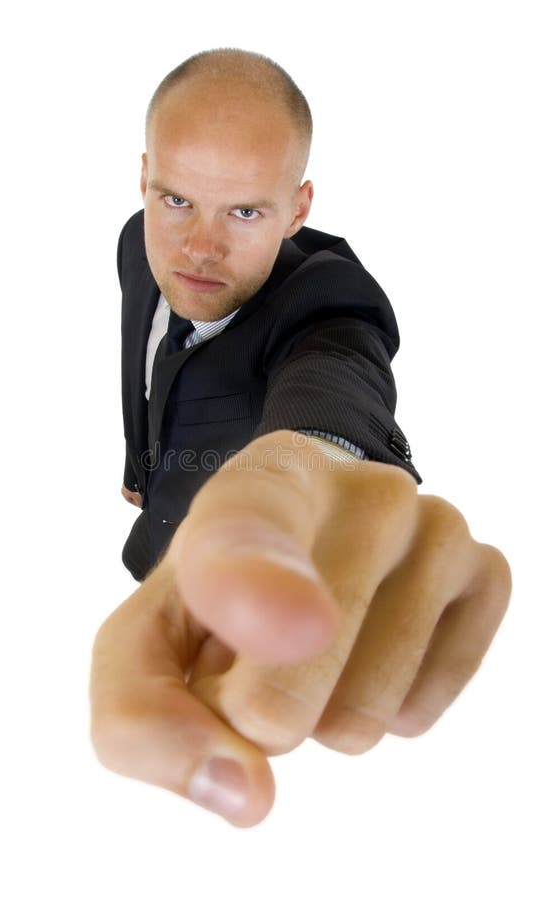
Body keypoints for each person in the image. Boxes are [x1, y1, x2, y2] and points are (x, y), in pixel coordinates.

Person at [89, 48, 512, 829]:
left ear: (297, 208)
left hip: (249, 606)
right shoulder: (136, 245)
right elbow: (147, 368)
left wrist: (312, 464)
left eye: (244, 212)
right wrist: (138, 466)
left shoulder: (328, 305)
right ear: (144, 178)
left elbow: (338, 374)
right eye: (175, 198)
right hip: (160, 549)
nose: (199, 248)